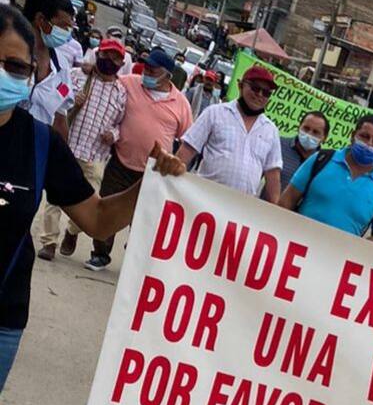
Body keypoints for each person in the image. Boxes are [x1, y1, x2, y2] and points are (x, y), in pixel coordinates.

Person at [0, 4, 184, 393]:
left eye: (16, 67)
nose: (5, 73)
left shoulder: (39, 142)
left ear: (31, 73)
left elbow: (98, 219)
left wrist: (152, 180)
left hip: (3, 316)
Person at [85, 47, 192, 271]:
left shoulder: (181, 103)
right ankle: (100, 254)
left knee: (145, 218)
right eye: (147, 67)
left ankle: (135, 260)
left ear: (167, 75)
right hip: (121, 162)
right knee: (109, 206)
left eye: (153, 70)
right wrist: (89, 70)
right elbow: (107, 81)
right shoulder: (130, 82)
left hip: (153, 172)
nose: (148, 72)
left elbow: (186, 138)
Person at [36, 37, 127, 260]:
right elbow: (55, 105)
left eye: (115, 57)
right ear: (98, 55)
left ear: (121, 62)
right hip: (68, 148)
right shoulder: (77, 78)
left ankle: (72, 231)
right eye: (106, 55)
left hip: (95, 155)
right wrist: (72, 102)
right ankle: (49, 242)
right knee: (54, 199)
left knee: (89, 203)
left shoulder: (121, 92)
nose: (109, 60)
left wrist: (113, 135)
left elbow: (121, 124)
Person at [277, 114, 373, 244]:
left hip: (336, 262)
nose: (368, 144)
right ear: (353, 136)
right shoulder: (321, 159)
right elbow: (287, 201)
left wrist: (357, 248)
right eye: (364, 136)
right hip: (296, 249)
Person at [176, 64, 282, 203]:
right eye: (255, 88)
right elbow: (186, 152)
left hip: (240, 211)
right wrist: (169, 183)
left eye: (266, 93)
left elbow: (273, 175)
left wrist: (279, 216)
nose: (260, 95)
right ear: (240, 86)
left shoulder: (271, 130)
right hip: (203, 201)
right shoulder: (214, 113)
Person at [19, 0, 75, 139]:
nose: (67, 32)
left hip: (31, 153)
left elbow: (59, 119)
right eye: (63, 26)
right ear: (41, 20)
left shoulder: (62, 68)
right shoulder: (7, 52)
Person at [279, 109, 330, 189]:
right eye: (306, 128)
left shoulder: (325, 162)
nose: (309, 134)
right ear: (299, 127)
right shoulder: (279, 145)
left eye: (315, 132)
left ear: (324, 138)